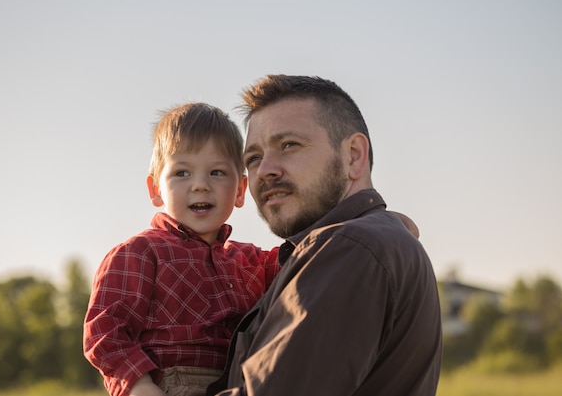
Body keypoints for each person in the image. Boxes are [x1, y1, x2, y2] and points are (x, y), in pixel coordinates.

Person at [206, 75, 443, 396]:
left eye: (289, 145)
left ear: (354, 155)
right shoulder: (374, 241)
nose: (264, 170)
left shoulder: (350, 248)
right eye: (254, 158)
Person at [83, 103, 280, 396]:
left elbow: (306, 259)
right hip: (171, 383)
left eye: (216, 172)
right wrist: (139, 384)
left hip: (242, 381)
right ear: (155, 189)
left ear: (240, 190)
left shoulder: (252, 260)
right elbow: (106, 330)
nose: (200, 185)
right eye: (182, 173)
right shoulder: (139, 252)